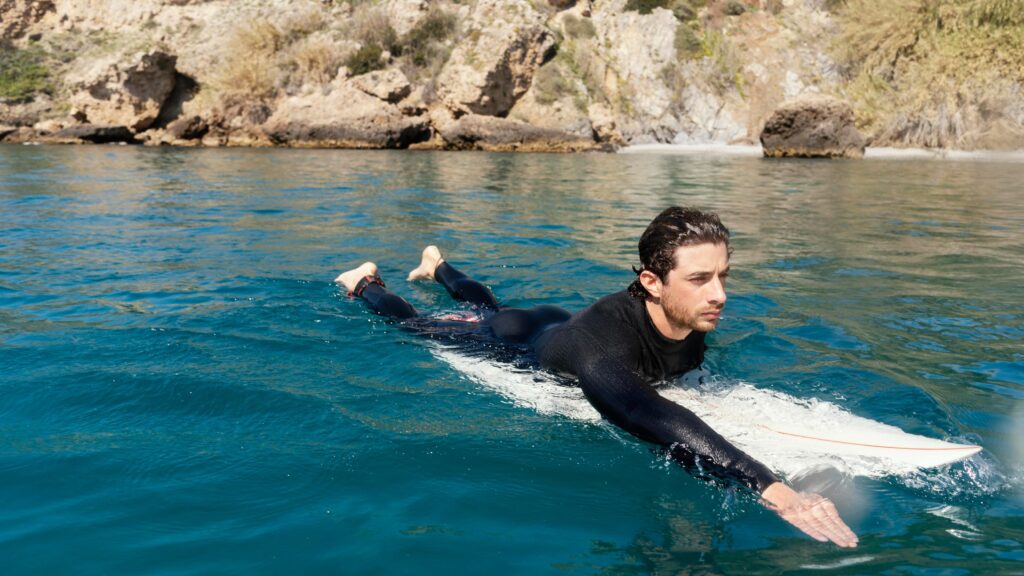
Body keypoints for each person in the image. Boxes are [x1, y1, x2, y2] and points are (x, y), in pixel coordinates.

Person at [335, 207, 858, 548]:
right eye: (700, 279)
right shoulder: (601, 349)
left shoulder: (691, 312)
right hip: (517, 342)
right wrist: (771, 488)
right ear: (651, 283)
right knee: (423, 325)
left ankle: (438, 265)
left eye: (723, 275)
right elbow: (642, 410)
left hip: (558, 320)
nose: (719, 293)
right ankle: (365, 282)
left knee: (485, 301)